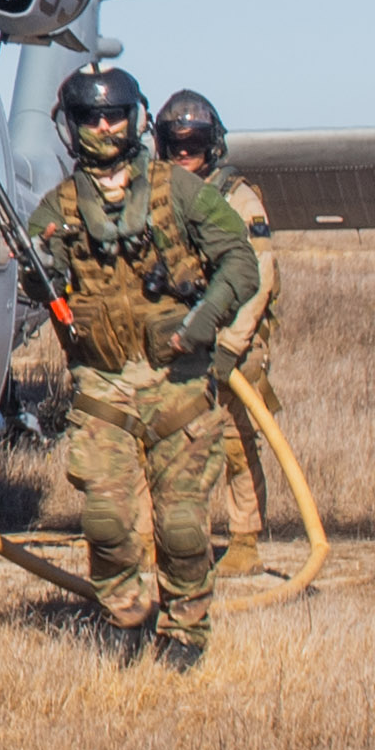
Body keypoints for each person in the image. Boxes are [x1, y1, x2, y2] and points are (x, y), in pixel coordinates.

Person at [32, 63, 247, 662]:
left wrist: (201, 326)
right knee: (105, 520)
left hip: (176, 385)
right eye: (91, 117)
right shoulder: (58, 208)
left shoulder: (181, 192)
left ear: (135, 118)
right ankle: (124, 618)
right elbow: (37, 282)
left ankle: (185, 631)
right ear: (71, 126)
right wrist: (38, 267)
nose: (104, 126)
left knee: (182, 525)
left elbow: (240, 264)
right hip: (103, 384)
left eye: (114, 114)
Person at [155, 90, 286, 577]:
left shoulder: (237, 198)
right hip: (176, 338)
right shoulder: (155, 196)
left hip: (235, 337)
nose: (184, 151)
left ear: (214, 145)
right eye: (175, 142)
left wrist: (230, 347)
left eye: (195, 142)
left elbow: (259, 276)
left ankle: (245, 539)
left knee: (234, 439)